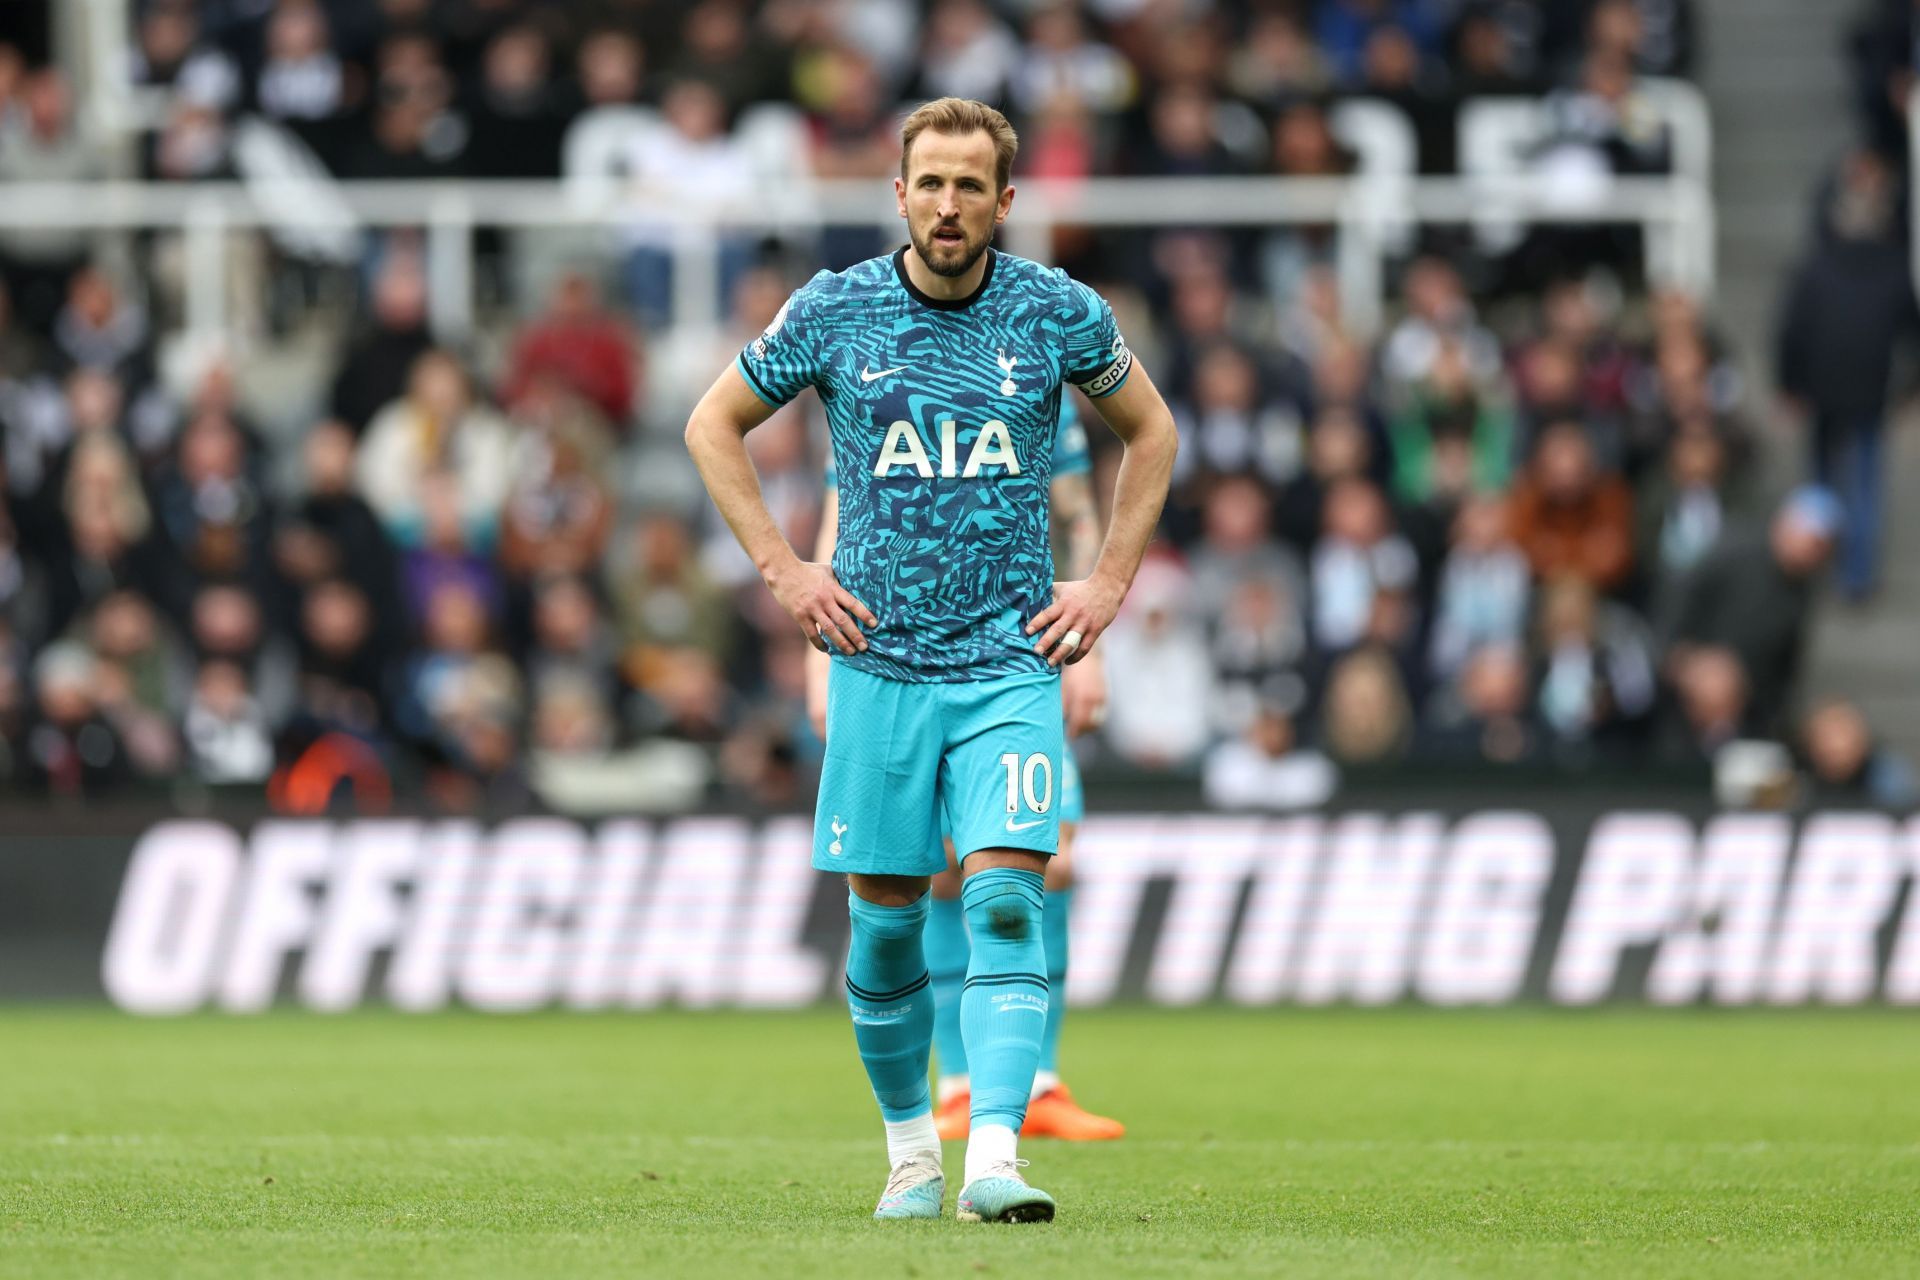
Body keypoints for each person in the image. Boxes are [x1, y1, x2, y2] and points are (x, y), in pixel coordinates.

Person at [684, 98, 1176, 1224]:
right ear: (897, 192)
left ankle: (994, 1152)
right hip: (880, 663)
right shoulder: (834, 309)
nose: (949, 204)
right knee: (889, 919)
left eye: (971, 186)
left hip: (1008, 662)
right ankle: (912, 1153)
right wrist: (784, 572)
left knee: (1009, 897)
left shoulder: (1058, 312)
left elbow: (1153, 432)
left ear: (1006, 200)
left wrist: (1103, 585)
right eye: (931, 183)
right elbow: (713, 425)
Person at [806, 396, 1126, 1146]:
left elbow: (1074, 514)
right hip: (895, 662)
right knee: (938, 868)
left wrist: (1092, 648)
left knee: (1047, 861)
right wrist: (812, 655)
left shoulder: (1032, 367)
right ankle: (956, 1085)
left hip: (1016, 657)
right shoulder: (875, 373)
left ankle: (1037, 1083)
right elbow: (836, 517)